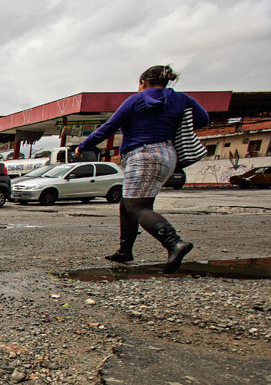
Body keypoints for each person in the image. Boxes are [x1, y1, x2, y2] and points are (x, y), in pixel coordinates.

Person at [77, 64, 209, 274]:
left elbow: (109, 126)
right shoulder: (181, 99)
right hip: (167, 154)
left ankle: (173, 242)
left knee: (138, 207)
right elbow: (203, 119)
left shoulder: (136, 100)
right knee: (128, 203)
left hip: (143, 155)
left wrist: (83, 146)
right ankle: (125, 251)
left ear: (142, 82)